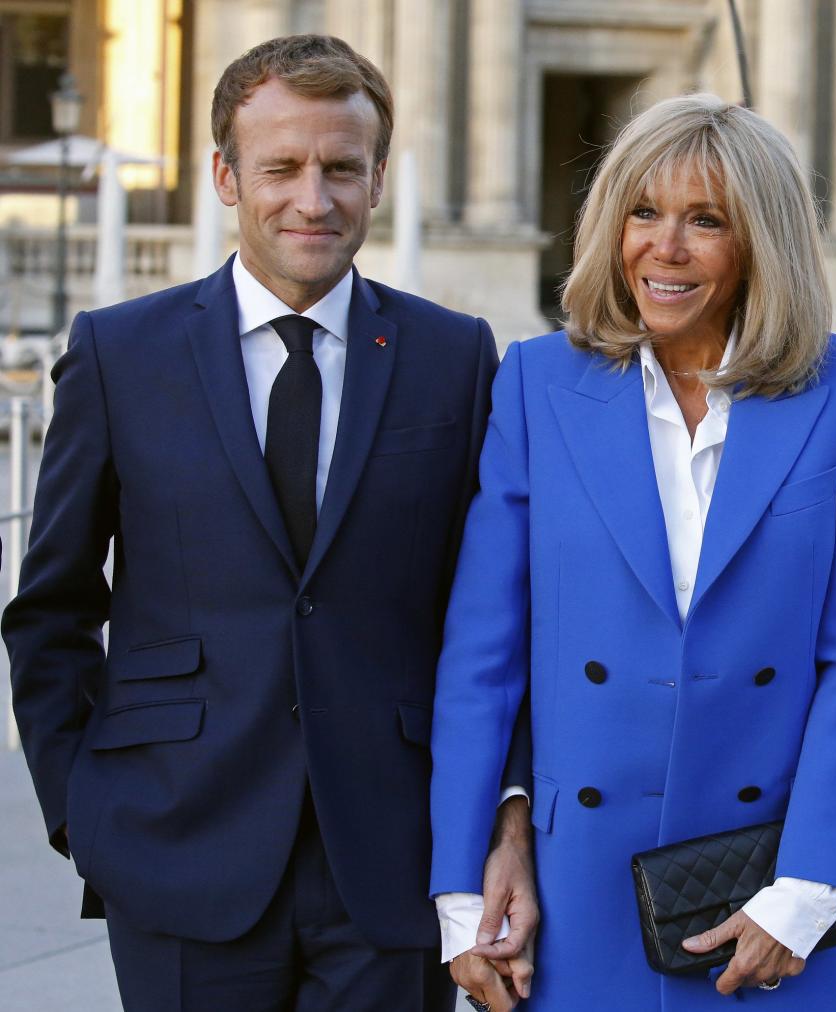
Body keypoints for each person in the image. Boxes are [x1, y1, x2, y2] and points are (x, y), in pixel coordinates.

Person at [3, 34, 533, 1012]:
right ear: (225, 176)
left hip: (394, 851)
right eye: (281, 167)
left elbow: (494, 615)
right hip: (174, 848)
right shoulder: (119, 355)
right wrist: (87, 815)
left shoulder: (453, 357)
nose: (313, 198)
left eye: (341, 168)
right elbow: (51, 609)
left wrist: (502, 812)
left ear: (377, 179)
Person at [430, 93, 836, 1010]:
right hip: (575, 899)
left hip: (778, 897)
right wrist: (465, 882)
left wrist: (805, 892)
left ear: (763, 241)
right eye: (643, 212)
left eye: (706, 220)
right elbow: (483, 656)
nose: (664, 247)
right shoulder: (537, 383)